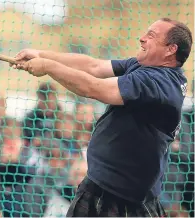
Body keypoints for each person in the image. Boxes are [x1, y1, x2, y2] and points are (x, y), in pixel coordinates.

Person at [12, 18, 192, 217]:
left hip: (124, 199)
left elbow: (94, 88)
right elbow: (93, 66)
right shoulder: (146, 68)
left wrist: (48, 67)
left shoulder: (158, 82)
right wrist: (40, 54)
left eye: (151, 36)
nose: (141, 39)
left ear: (170, 49)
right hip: (102, 186)